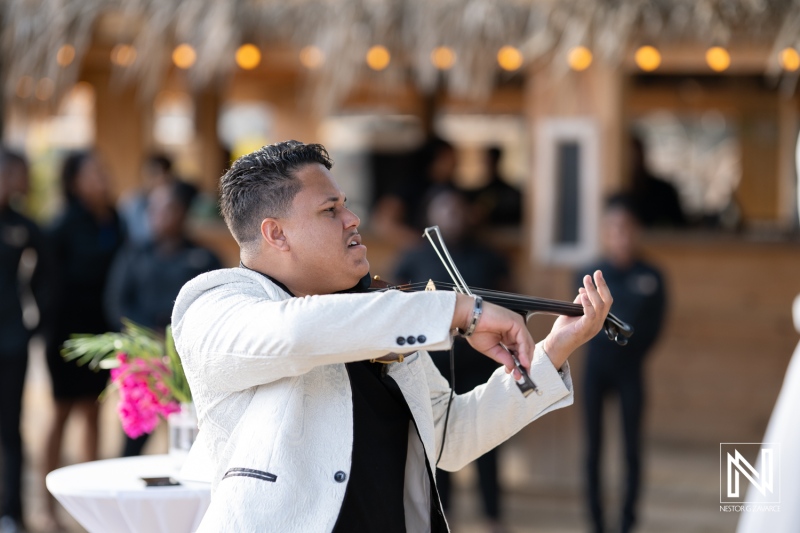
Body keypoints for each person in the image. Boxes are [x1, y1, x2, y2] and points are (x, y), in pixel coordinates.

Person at [171, 140, 613, 532]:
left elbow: (450, 436)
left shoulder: (378, 314)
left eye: (345, 204)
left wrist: (553, 350)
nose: (352, 218)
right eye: (330, 210)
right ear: (276, 233)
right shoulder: (216, 302)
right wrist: (458, 309)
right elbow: (294, 332)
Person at [394, 187, 512, 532]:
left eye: (458, 210)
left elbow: (507, 303)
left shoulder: (489, 257)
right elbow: (397, 305)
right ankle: (445, 520)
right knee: (439, 444)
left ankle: (493, 518)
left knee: (488, 440)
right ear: (430, 216)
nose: (452, 217)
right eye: (444, 210)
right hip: (433, 367)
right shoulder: (415, 256)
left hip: (481, 367)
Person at [105, 179, 221, 456]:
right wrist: (148, 336)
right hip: (146, 362)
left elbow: (214, 306)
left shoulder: (203, 258)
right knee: (133, 443)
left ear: (182, 212)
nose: (157, 215)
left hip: (187, 363)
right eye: (152, 208)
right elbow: (116, 303)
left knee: (191, 442)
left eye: (166, 208)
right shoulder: (134, 255)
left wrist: (177, 337)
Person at [43, 151, 124, 528]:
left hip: (103, 329)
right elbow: (45, 281)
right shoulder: (62, 225)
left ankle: (89, 504)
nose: (101, 179)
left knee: (94, 412)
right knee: (60, 413)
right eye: (93, 173)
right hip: (65, 330)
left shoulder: (115, 219)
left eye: (102, 172)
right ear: (74, 181)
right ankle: (46, 504)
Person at [577, 194, 667, 533]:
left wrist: (633, 351)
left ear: (637, 231)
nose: (621, 236)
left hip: (631, 370)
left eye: (627, 228)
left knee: (632, 448)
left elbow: (657, 324)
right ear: (605, 232)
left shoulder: (652, 275)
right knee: (593, 448)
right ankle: (597, 523)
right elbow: (580, 323)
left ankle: (628, 522)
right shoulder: (589, 275)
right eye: (614, 228)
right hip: (595, 370)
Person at [0, 150, 49, 533]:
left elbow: (47, 276)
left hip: (11, 341)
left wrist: (33, 324)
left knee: (10, 430)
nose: (22, 179)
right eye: (17, 172)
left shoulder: (23, 225)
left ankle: (12, 513)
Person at [629, 135, 686, 228]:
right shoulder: (618, 193)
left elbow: (680, 227)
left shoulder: (664, 191)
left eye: (636, 155)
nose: (633, 161)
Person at [118, 153, 174, 245]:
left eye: (160, 175)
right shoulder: (131, 201)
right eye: (152, 174)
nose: (156, 180)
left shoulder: (172, 202)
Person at [470, 147, 523, 227]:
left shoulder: (510, 193)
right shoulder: (478, 192)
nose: (486, 165)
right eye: (485, 162)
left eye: (489, 161)